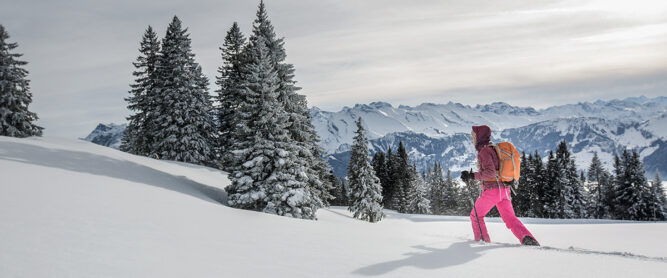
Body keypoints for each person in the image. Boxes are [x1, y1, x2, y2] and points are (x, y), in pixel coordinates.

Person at [460, 125, 539, 246]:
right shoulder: (492, 149)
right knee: (510, 219)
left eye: (473, 136)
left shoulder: (484, 151)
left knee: (476, 216)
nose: (471, 139)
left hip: (492, 190)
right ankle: (527, 238)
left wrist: (472, 176)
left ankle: (482, 242)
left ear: (478, 137)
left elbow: (490, 172)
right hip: (504, 190)